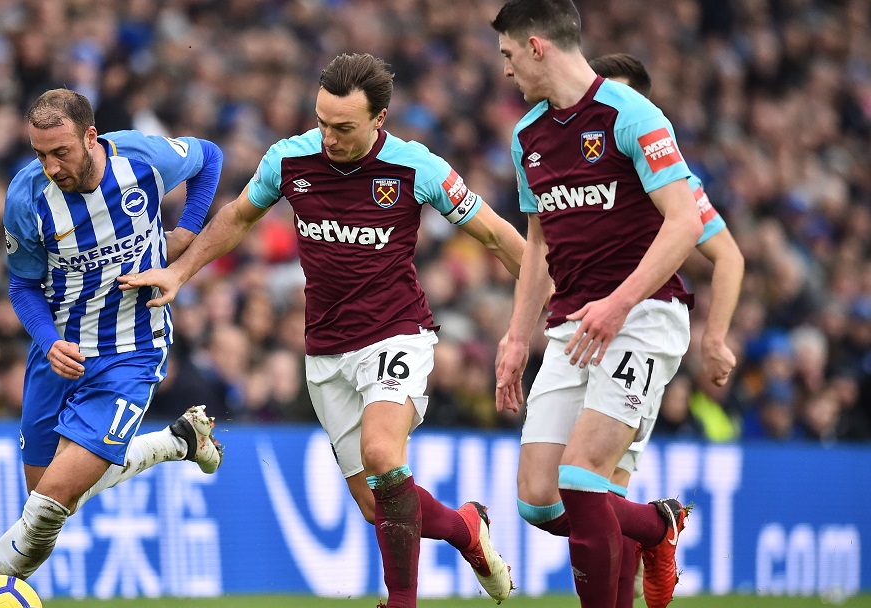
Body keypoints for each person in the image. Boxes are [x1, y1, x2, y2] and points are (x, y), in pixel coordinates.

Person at [118, 53, 522, 607]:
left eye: (344, 127)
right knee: (381, 511)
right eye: (322, 121)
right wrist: (180, 272)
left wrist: (557, 297)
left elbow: (498, 236)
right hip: (326, 351)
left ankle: (400, 602)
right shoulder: (289, 159)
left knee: (384, 456)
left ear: (380, 119)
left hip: (396, 332)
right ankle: (467, 530)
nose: (328, 137)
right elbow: (238, 217)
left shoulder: (417, 168)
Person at [0, 89, 225, 607]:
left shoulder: (141, 157)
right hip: (60, 356)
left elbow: (210, 158)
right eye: (39, 154)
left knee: (49, 505)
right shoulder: (26, 198)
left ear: (90, 138)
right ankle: (176, 443)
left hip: (131, 352)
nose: (51, 167)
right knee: (42, 505)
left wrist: (185, 231)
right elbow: (22, 287)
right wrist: (49, 342)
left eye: (61, 153)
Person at [490, 3, 702, 608]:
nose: (504, 71)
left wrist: (620, 302)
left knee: (582, 478)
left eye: (507, 54)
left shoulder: (631, 114)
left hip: (645, 315)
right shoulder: (527, 135)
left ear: (535, 47)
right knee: (538, 499)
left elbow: (684, 223)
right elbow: (538, 242)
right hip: (573, 325)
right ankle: (655, 527)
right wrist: (515, 336)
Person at [588, 52, 746, 601]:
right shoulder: (577, 163)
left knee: (596, 488)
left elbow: (727, 256)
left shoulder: (668, 174)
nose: (609, 108)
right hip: (582, 332)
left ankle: (654, 538)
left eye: (622, 97)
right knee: (580, 498)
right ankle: (660, 529)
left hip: (643, 329)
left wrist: (716, 337)